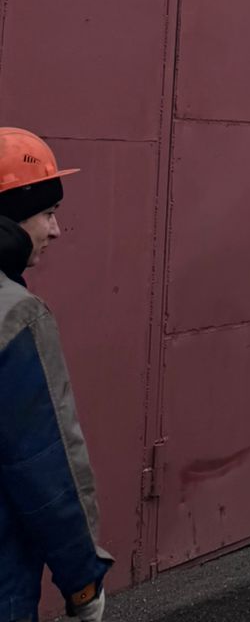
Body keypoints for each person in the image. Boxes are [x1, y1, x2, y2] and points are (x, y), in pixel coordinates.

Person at [0, 128, 111, 622]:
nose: (56, 230)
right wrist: (83, 581)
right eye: (48, 213)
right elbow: (45, 466)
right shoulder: (17, 317)